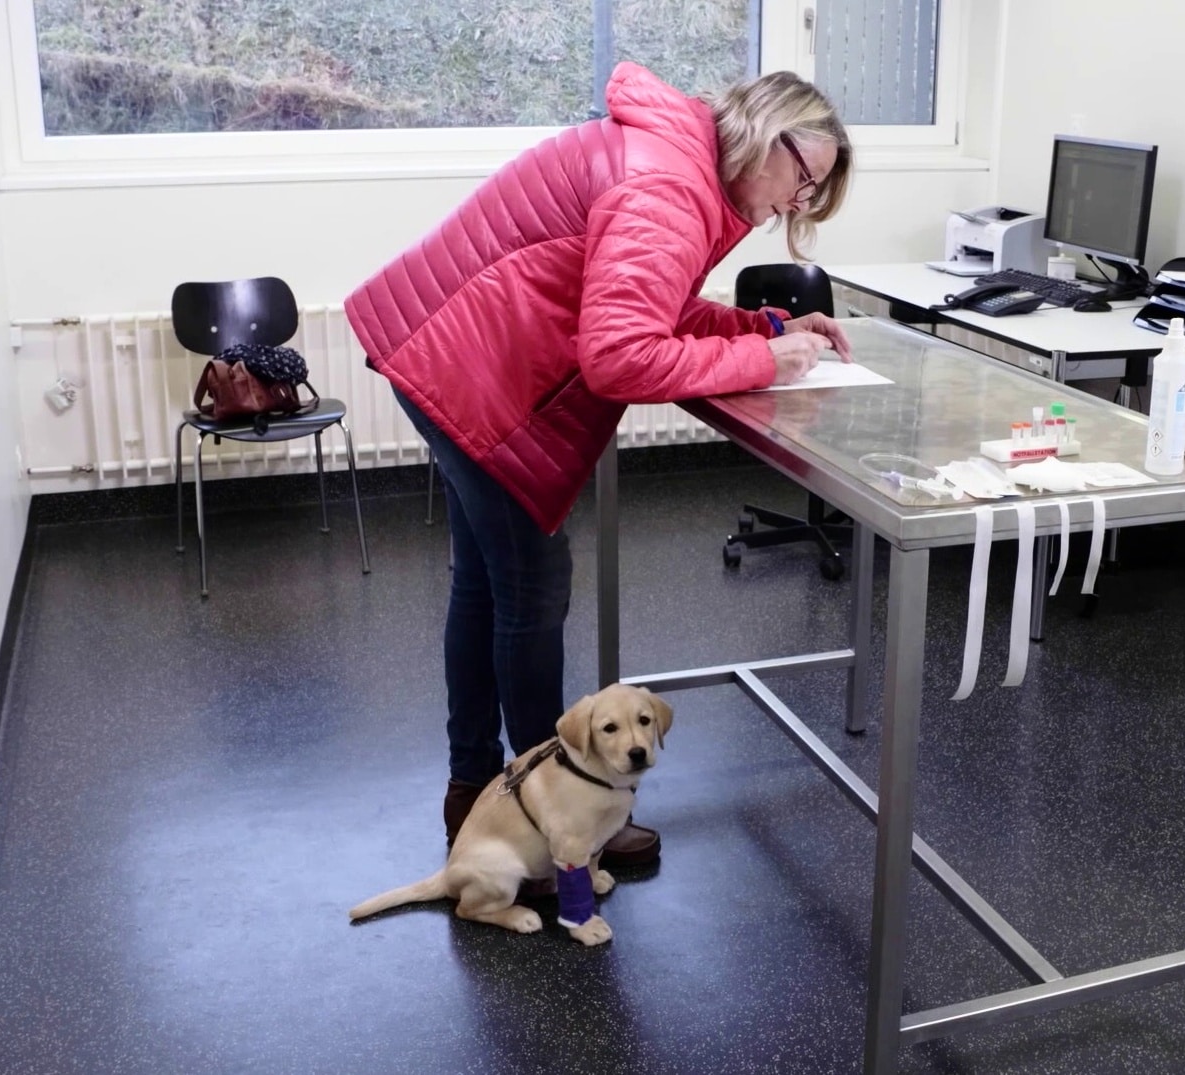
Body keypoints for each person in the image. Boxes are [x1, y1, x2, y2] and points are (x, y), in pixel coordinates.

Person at [345, 61, 854, 868]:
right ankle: (554, 819)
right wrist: (765, 363)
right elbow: (619, 355)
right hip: (469, 368)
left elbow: (648, 302)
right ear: (767, 134)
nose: (797, 202)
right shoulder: (667, 187)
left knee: (488, 583)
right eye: (803, 177)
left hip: (445, 345)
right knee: (530, 589)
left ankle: (474, 790)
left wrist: (760, 327)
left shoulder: (678, 165)